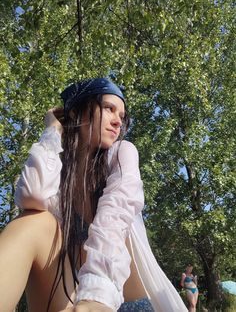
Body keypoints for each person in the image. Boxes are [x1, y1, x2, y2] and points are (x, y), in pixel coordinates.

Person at [0, 78, 188, 312]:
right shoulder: (59, 174)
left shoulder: (121, 153)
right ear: (79, 112)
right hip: (75, 301)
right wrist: (52, 131)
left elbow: (115, 215)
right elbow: (32, 195)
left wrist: (96, 297)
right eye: (109, 108)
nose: (118, 121)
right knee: (33, 221)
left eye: (122, 115)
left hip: (122, 304)